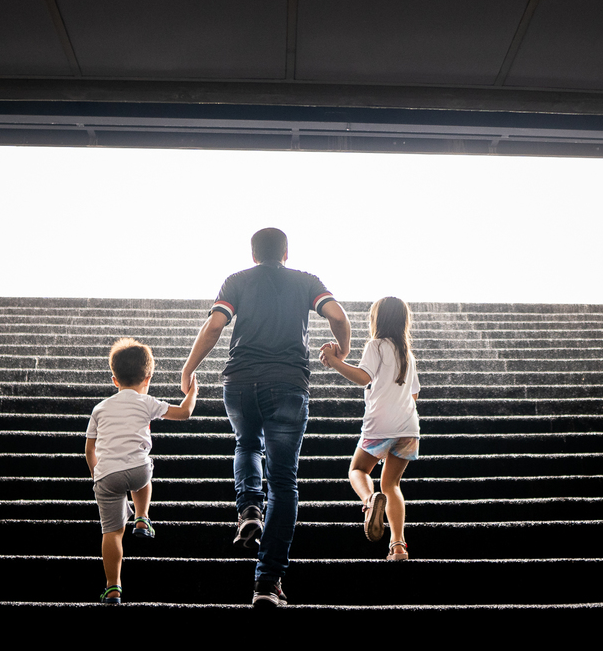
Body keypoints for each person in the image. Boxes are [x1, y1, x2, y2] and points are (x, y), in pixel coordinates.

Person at [181, 228, 351, 608]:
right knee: (284, 481)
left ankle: (249, 508)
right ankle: (267, 583)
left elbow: (213, 326)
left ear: (253, 253)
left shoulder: (237, 280)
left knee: (246, 444)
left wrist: (188, 368)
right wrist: (342, 349)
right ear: (286, 252)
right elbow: (338, 315)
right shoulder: (307, 282)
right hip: (289, 384)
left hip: (240, 382)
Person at [85, 337, 198, 604]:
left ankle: (113, 586)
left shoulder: (99, 409)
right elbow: (184, 413)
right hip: (137, 470)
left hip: (106, 475)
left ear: (115, 380)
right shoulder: (145, 402)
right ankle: (142, 517)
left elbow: (89, 450)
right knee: (144, 469)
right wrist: (192, 391)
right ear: (148, 378)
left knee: (111, 532)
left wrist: (95, 472)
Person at [319, 296, 420, 561]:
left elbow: (363, 376)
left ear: (377, 320)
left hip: (380, 425)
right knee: (393, 484)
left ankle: (368, 499)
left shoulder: (375, 346)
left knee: (358, 469)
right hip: (409, 429)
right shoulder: (407, 354)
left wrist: (334, 360)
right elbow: (414, 396)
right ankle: (398, 546)